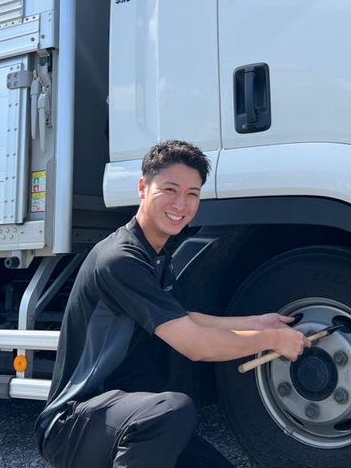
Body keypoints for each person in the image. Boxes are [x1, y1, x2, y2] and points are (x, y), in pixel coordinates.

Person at [35, 140, 310, 468]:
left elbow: (184, 319)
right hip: (75, 422)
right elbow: (196, 345)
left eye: (193, 193)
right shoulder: (119, 259)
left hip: (132, 416)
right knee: (171, 410)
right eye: (170, 189)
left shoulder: (157, 255)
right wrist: (272, 340)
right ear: (143, 188)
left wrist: (257, 323)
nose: (182, 204)